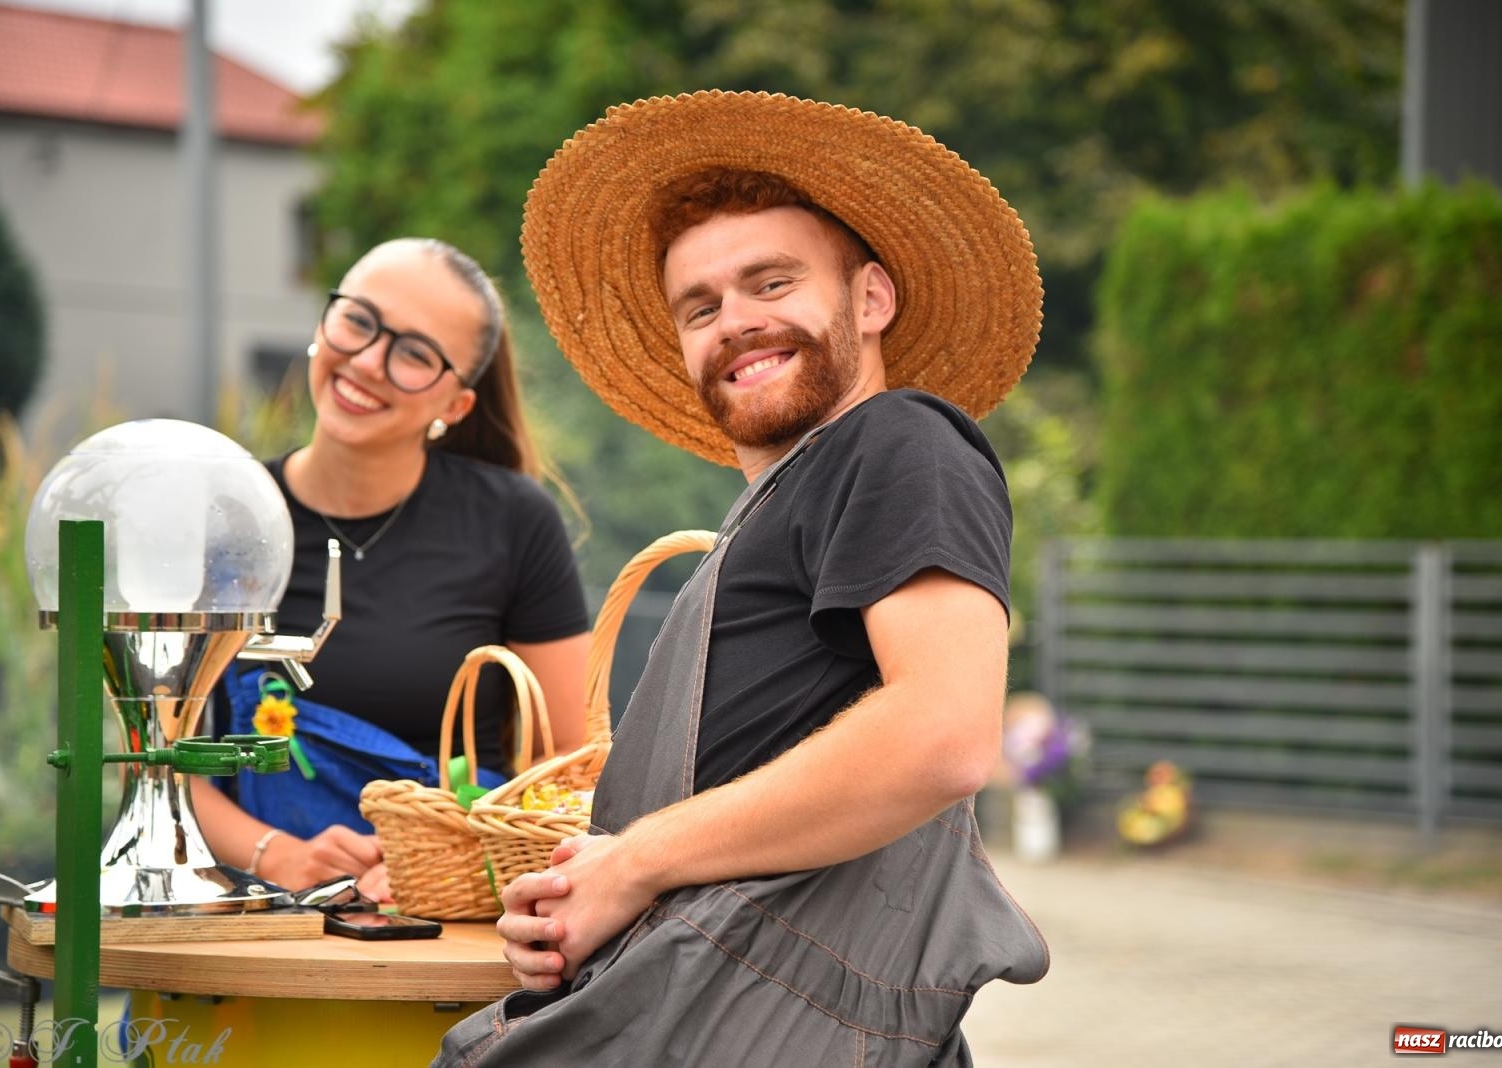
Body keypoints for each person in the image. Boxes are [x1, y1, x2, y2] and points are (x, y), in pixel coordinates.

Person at [434, 92, 1049, 1066]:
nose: (737, 323)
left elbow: (943, 736)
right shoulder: (765, 516)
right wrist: (578, 905)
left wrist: (636, 863)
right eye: (702, 306)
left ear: (872, 299)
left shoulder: (897, 441)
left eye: (772, 283)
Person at [195, 237, 591, 898]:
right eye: (358, 320)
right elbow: (153, 764)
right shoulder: (226, 523)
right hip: (258, 921)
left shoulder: (515, 522)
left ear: (455, 406)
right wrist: (281, 858)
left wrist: (434, 862)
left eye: (415, 354)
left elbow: (569, 771)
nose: (370, 361)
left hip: (452, 918)